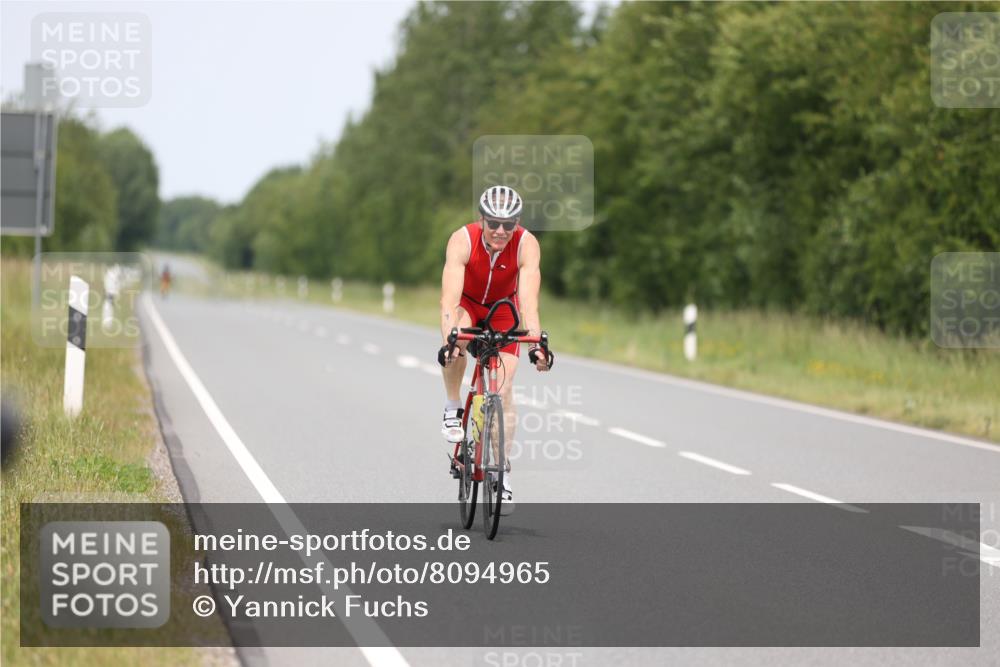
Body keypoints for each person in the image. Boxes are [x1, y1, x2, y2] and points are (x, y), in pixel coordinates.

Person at [438, 185, 554, 514]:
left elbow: (528, 302)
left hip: (504, 309)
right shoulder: (462, 240)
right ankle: (452, 407)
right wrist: (449, 339)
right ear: (482, 219)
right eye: (493, 223)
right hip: (468, 304)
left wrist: (537, 344)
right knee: (457, 341)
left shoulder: (527, 244)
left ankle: (501, 473)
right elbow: (449, 301)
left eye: (508, 224)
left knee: (502, 391)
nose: (501, 231)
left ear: (517, 223)